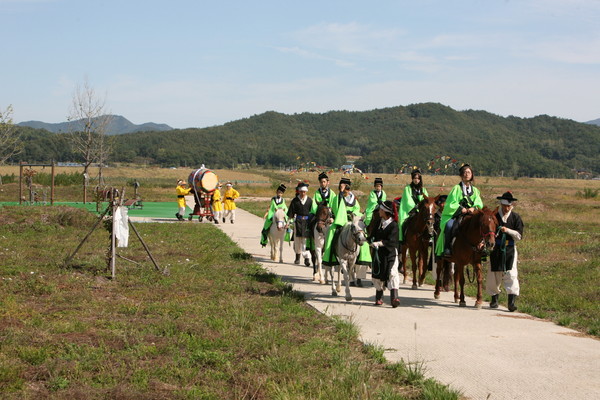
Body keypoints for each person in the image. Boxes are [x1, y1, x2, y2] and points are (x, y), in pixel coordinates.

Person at [322, 177, 371, 284]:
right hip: (341, 221)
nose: (344, 189)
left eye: (346, 187)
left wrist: (355, 217)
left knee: (363, 239)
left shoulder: (354, 199)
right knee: (331, 232)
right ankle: (330, 254)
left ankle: (360, 275)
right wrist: (337, 217)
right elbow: (335, 209)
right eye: (342, 186)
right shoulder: (337, 197)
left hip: (353, 221)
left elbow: (357, 210)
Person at [435, 164, 484, 257]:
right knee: (449, 225)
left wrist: (473, 208)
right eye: (464, 172)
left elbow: (479, 203)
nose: (467, 174)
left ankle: (482, 247)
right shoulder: (456, 189)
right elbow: (451, 203)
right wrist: (461, 209)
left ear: (472, 175)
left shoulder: (475, 190)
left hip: (471, 214)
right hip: (457, 214)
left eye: (469, 172)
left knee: (482, 225)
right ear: (461, 175)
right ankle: (447, 248)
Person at [487, 191, 524, 312]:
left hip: (510, 248)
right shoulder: (495, 217)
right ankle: (494, 299)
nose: (506, 208)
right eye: (504, 206)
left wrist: (507, 230)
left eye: (508, 206)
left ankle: (511, 302)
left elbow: (519, 235)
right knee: (494, 274)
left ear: (512, 205)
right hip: (496, 248)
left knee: (511, 274)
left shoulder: (516, 217)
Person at [370, 200, 401, 307]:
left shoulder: (394, 225)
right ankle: (379, 297)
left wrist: (379, 243)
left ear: (385, 211)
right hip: (379, 255)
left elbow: (392, 241)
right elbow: (372, 236)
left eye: (381, 209)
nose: (379, 211)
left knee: (392, 273)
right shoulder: (378, 222)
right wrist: (367, 240)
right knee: (377, 275)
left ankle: (394, 298)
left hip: (390, 253)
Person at [398, 169, 429, 243]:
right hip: (410, 211)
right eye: (415, 178)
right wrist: (415, 207)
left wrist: (421, 207)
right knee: (402, 223)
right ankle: (403, 239)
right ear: (412, 179)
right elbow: (407, 200)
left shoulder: (423, 190)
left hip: (421, 211)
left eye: (418, 179)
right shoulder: (407, 188)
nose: (416, 180)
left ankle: (428, 238)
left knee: (429, 223)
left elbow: (426, 200)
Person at [287, 182, 313, 265]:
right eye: (301, 192)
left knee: (305, 241)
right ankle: (297, 258)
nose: (303, 193)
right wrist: (287, 223)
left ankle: (307, 259)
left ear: (306, 192)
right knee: (297, 240)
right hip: (297, 222)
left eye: (304, 192)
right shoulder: (295, 201)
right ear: (299, 191)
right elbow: (290, 213)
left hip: (306, 222)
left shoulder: (309, 201)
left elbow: (312, 212)